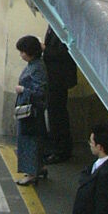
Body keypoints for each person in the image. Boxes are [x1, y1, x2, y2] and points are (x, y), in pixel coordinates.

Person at [13, 35, 48, 186]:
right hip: (31, 110)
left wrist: (23, 90)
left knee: (29, 141)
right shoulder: (34, 65)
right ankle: (39, 167)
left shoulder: (37, 68)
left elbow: (40, 92)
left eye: (22, 52)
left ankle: (31, 173)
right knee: (34, 140)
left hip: (31, 112)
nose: (21, 55)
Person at [41, 26, 77, 167]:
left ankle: (60, 150)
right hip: (53, 78)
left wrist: (45, 49)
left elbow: (65, 53)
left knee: (57, 114)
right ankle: (54, 146)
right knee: (54, 113)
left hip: (59, 79)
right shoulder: (53, 26)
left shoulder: (65, 27)